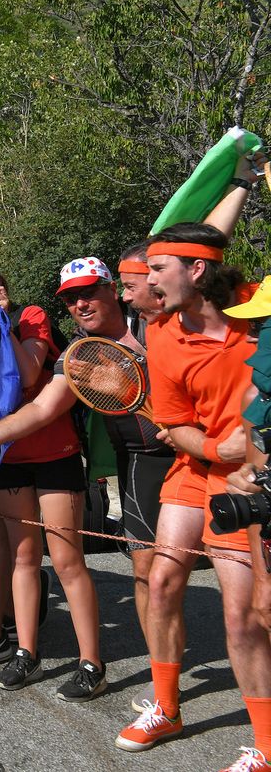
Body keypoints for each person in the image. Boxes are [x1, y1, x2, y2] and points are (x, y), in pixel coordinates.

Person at [123, 223, 271, 769]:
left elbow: (210, 231)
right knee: (160, 582)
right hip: (199, 464)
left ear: (198, 270)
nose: (146, 283)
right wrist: (218, 445)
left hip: (253, 478)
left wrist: (240, 174)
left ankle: (267, 747)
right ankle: (167, 708)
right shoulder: (160, 333)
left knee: (242, 617)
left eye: (158, 270)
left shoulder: (259, 310)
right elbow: (175, 424)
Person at [0, 250, 101, 699]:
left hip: (55, 452)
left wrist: (3, 319)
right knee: (24, 557)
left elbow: (29, 370)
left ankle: (91, 661)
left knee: (68, 561)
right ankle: (25, 652)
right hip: (8, 456)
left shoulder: (28, 317)